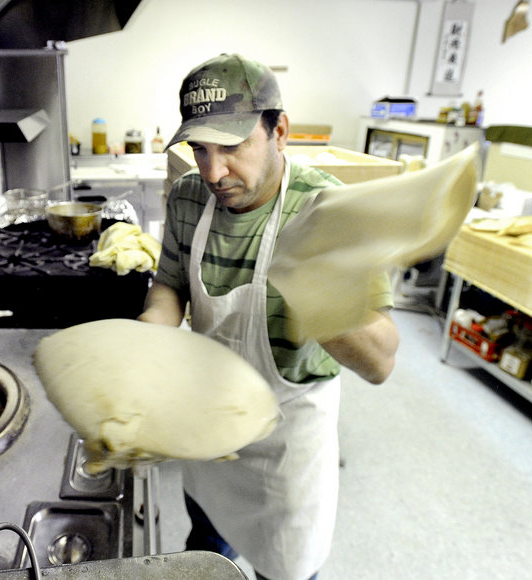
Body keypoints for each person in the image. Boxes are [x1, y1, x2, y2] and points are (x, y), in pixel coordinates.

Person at [138, 54, 400, 580]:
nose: (213, 172)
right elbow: (169, 287)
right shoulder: (191, 196)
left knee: (285, 572)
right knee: (207, 552)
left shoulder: (328, 210)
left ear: (279, 131)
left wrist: (317, 292)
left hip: (287, 449)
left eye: (232, 148)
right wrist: (139, 355)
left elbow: (381, 361)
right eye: (199, 149)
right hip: (212, 432)